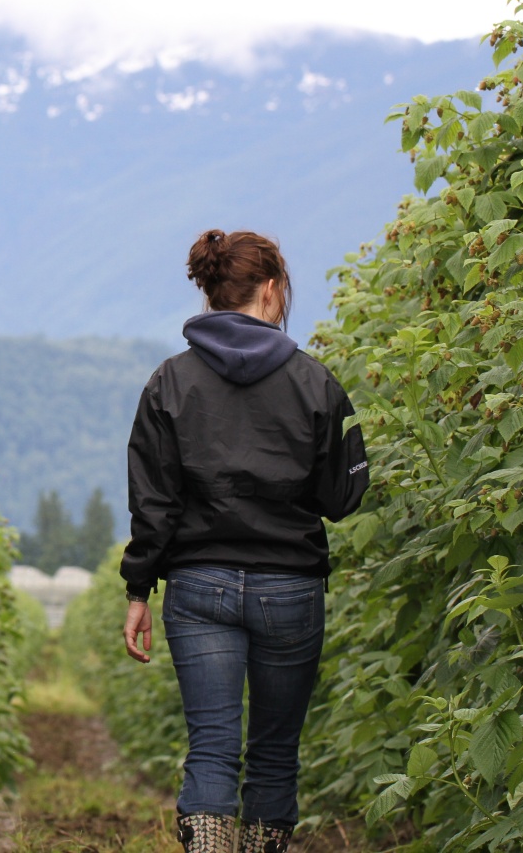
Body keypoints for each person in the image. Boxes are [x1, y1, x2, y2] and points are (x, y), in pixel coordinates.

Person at [119, 229, 369, 853]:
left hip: (198, 586)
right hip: (290, 586)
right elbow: (342, 498)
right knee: (275, 753)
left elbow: (154, 501)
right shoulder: (316, 384)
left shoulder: (168, 383)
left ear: (208, 292)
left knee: (211, 747)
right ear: (273, 288)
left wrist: (138, 588)